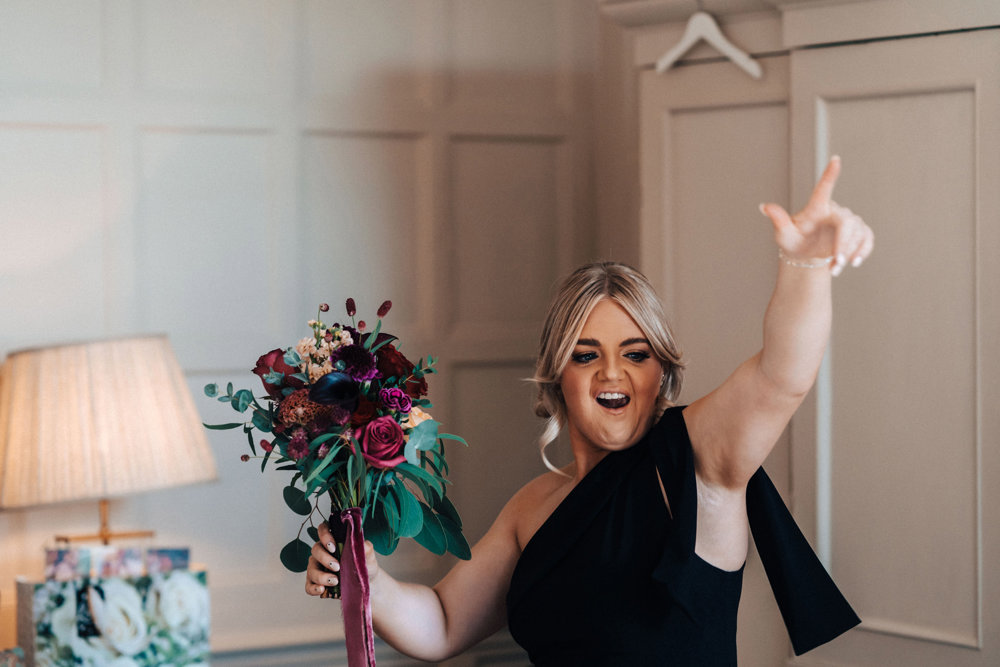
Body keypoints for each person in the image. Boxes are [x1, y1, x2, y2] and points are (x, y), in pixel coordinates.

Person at [306, 156, 872, 665]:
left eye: (636, 354)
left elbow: (782, 378)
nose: (612, 373)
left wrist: (806, 267)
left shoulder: (698, 464)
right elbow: (443, 624)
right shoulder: (534, 504)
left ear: (661, 372)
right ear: (557, 373)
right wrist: (367, 580)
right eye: (586, 355)